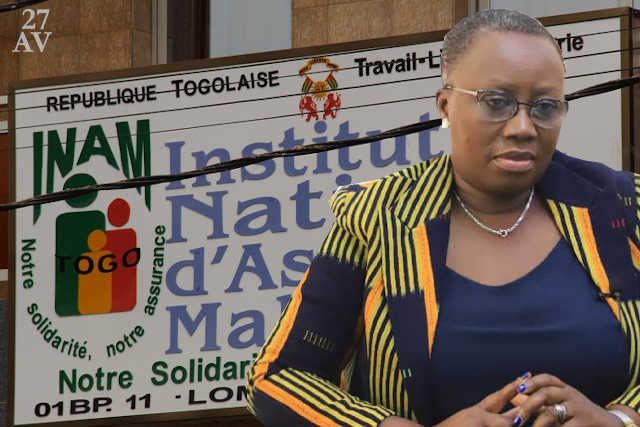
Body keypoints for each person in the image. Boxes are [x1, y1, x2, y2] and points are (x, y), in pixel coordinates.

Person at [246, 9, 640, 427]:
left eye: (545, 106)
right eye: (497, 102)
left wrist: (620, 419)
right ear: (446, 105)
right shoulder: (378, 217)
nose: (523, 127)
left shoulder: (623, 207)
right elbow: (278, 378)